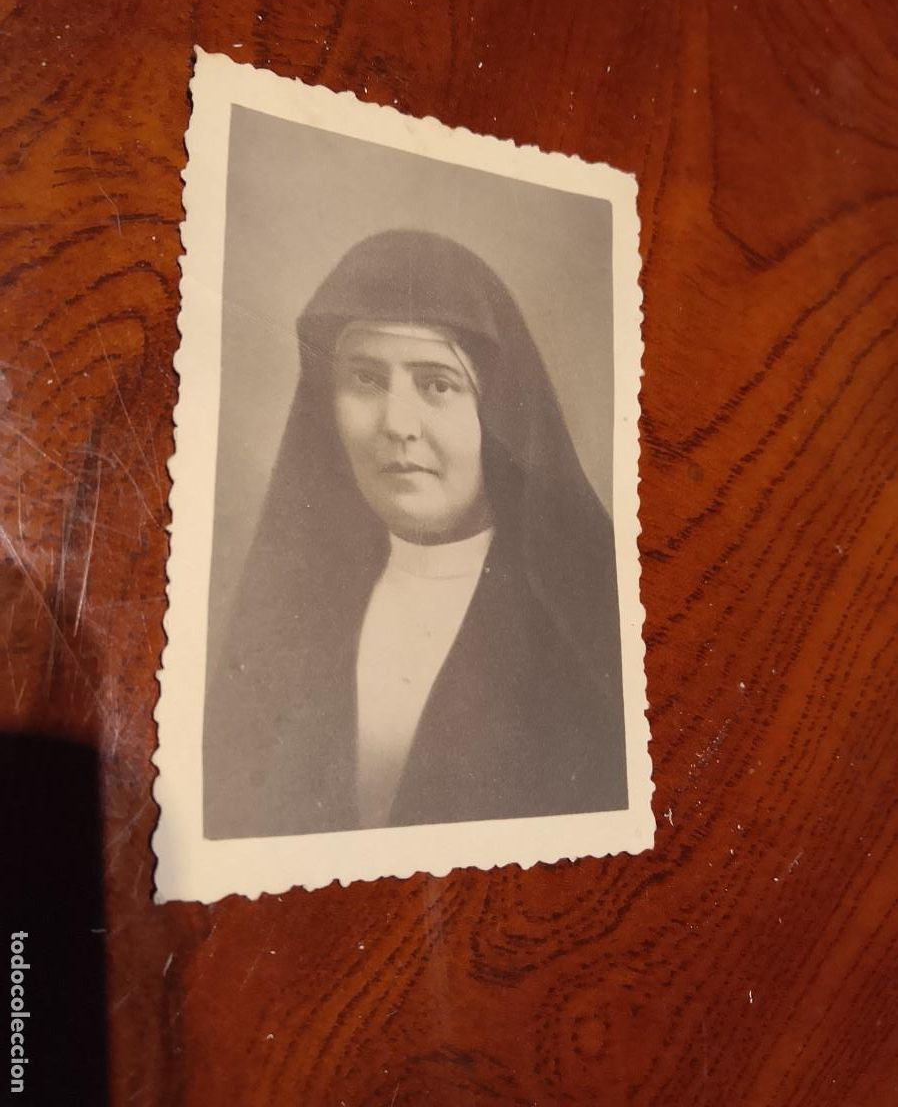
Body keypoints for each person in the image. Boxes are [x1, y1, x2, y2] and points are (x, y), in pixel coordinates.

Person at [203, 229, 627, 838]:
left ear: (497, 412)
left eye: (436, 383)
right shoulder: (294, 615)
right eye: (366, 381)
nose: (397, 424)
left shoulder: (588, 624)